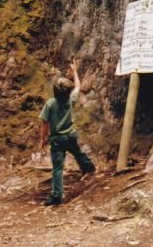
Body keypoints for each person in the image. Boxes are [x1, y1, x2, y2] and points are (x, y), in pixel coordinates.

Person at [39, 60, 95, 206]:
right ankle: (89, 167)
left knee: (58, 168)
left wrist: (43, 139)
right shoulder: (71, 99)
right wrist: (75, 70)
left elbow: (45, 123)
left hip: (57, 140)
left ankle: (57, 196)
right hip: (70, 135)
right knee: (77, 152)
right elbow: (78, 86)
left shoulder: (50, 104)